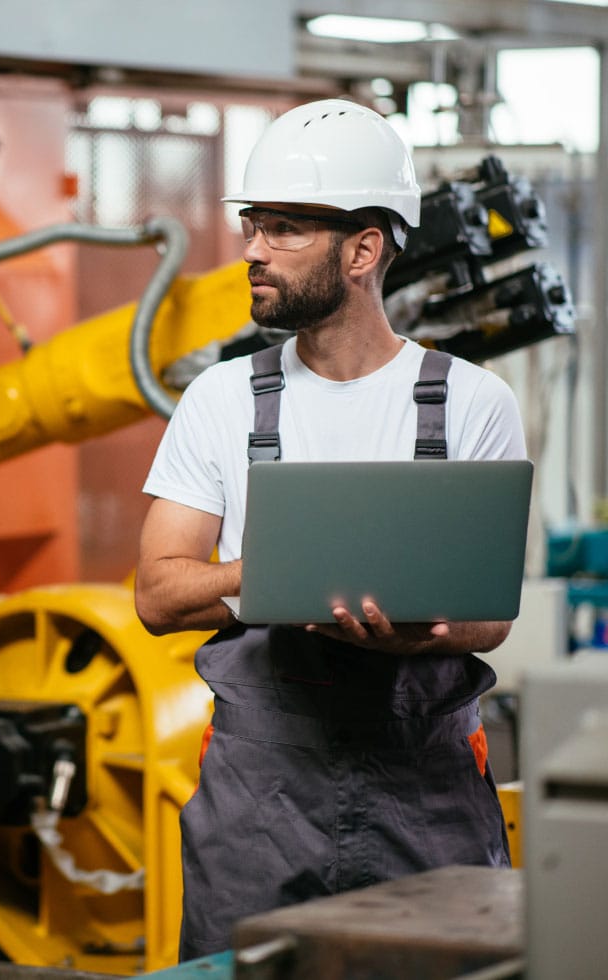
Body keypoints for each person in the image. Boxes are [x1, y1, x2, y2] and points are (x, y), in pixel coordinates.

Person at [134, 99, 527, 962]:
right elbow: (160, 595)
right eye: (252, 226)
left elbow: (490, 618)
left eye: (282, 230)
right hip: (258, 799)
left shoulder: (470, 403)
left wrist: (414, 642)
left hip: (425, 784)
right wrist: (265, 576)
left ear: (363, 249)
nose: (251, 252)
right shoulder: (222, 400)